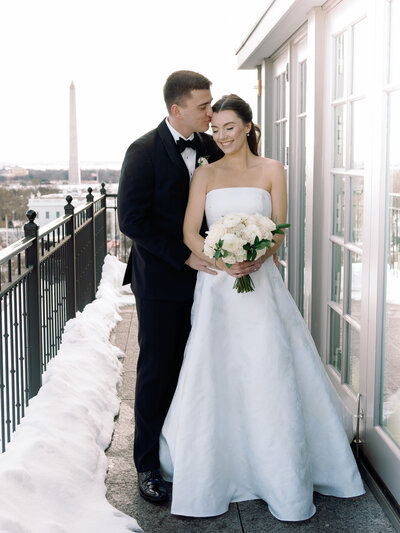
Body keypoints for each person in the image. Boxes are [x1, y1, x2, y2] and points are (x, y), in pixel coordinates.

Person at [159, 94, 365, 520]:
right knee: (217, 368)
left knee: (268, 365)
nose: (221, 136)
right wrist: (221, 259)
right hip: (218, 287)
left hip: (261, 283)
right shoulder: (205, 174)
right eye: (215, 129)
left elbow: (280, 228)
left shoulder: (273, 170)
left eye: (229, 127)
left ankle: (282, 474)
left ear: (249, 127)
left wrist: (259, 252)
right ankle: (216, 467)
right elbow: (189, 233)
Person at [117, 72, 252, 504]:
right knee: (159, 370)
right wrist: (184, 255)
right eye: (203, 106)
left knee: (204, 368)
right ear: (177, 110)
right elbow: (131, 222)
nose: (211, 113)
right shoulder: (141, 152)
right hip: (160, 282)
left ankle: (197, 452)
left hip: (215, 282)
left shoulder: (213, 145)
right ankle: (148, 465)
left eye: (213, 105)